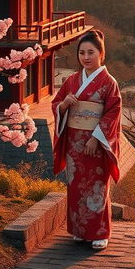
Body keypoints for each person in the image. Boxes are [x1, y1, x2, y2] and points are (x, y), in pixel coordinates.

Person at [51, 29, 122, 250]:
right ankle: (80, 230)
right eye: (82, 53)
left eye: (91, 52)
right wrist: (64, 105)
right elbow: (57, 103)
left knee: (97, 188)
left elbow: (113, 112)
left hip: (96, 143)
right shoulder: (72, 80)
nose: (86, 57)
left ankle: (100, 233)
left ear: (101, 54)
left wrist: (96, 138)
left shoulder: (109, 83)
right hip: (74, 141)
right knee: (76, 186)